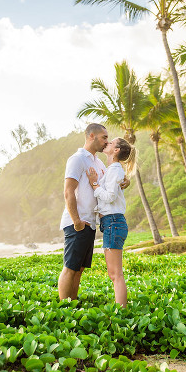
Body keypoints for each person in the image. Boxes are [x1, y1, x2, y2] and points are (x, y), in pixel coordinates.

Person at [57, 123, 128, 301]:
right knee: (70, 267)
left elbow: (109, 185)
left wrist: (125, 182)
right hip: (78, 222)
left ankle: (73, 305)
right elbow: (68, 191)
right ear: (91, 136)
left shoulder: (98, 162)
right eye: (104, 137)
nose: (106, 141)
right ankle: (64, 309)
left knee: (79, 269)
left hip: (91, 223)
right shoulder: (77, 158)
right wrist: (77, 221)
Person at [85, 137, 136, 307]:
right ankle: (121, 308)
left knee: (116, 274)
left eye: (111, 142)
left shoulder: (115, 170)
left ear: (116, 151)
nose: (107, 143)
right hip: (110, 223)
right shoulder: (111, 170)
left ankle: (122, 310)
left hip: (114, 222)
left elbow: (110, 196)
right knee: (113, 273)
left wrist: (94, 185)